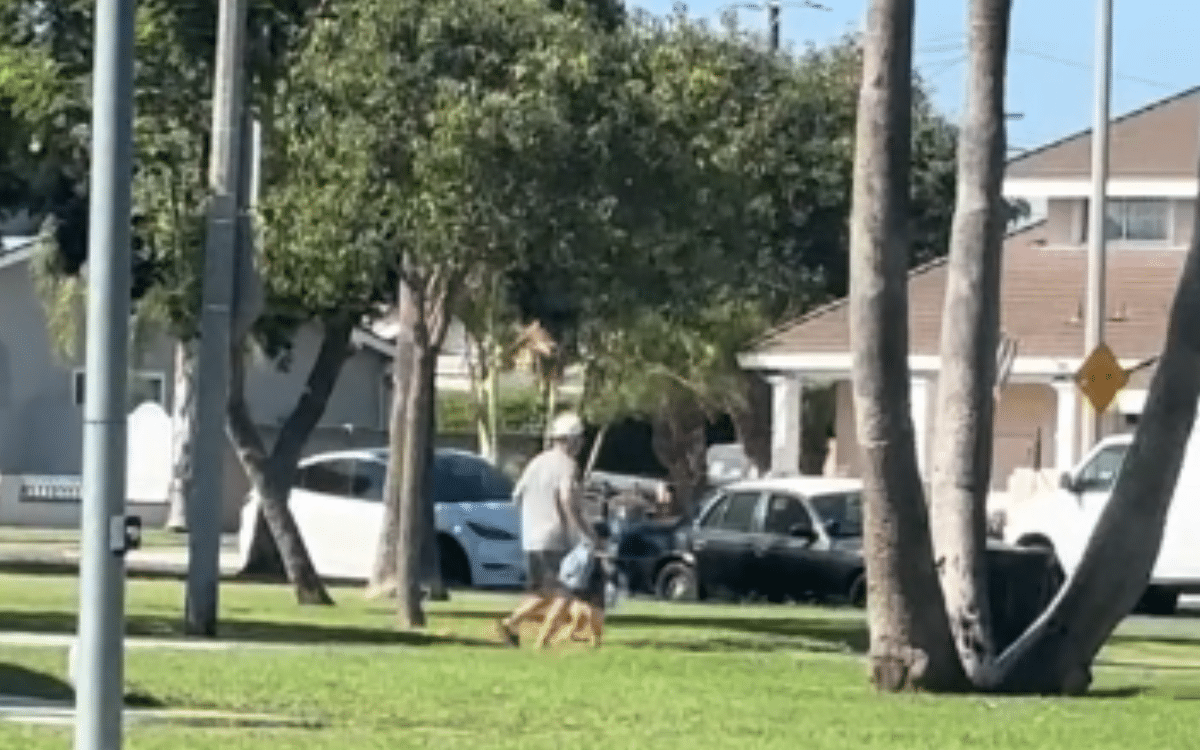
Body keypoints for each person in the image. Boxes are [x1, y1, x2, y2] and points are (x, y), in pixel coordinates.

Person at [495, 411, 599, 647]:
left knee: (541, 592)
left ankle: (514, 626)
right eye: (580, 439)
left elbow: (517, 496)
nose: (581, 445)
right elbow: (566, 499)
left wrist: (533, 517)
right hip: (554, 537)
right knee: (563, 593)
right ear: (571, 440)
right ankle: (529, 633)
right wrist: (581, 530)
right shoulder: (567, 465)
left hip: (531, 537)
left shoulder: (537, 462)